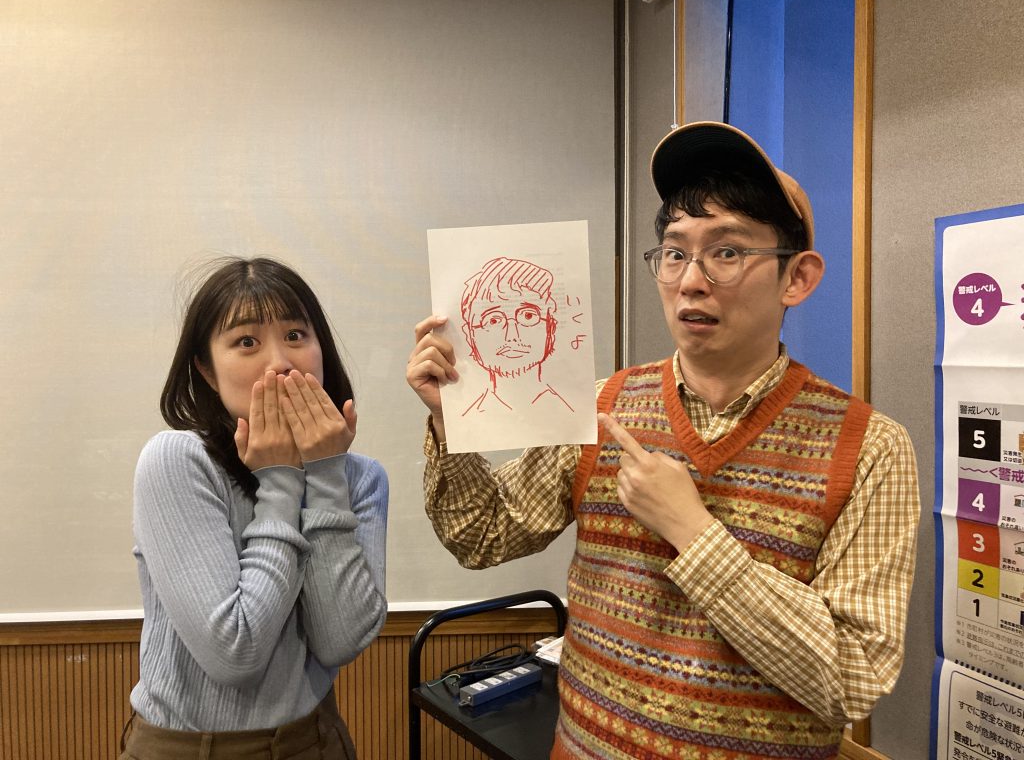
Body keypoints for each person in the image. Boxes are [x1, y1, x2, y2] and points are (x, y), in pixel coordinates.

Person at [405, 122, 919, 759]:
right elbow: (483, 536)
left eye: (727, 252)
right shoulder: (602, 407)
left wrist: (694, 534)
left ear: (797, 277)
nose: (691, 281)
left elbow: (852, 677)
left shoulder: (870, 448)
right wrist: (449, 422)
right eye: (675, 253)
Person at [122, 257, 387, 760]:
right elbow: (235, 654)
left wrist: (324, 473)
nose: (280, 362)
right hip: (188, 749)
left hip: (316, 739)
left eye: (295, 335)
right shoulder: (176, 460)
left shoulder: (361, 477)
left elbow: (337, 641)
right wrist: (281, 479)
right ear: (206, 368)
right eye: (246, 342)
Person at [459, 255, 571, 414]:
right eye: (493, 320)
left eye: (528, 316)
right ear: (470, 335)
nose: (512, 336)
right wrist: (441, 420)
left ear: (551, 328)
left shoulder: (576, 413)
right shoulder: (466, 415)